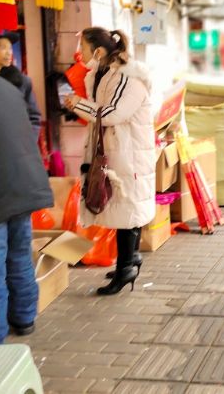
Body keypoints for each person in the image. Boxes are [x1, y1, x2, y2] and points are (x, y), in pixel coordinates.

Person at [63, 28, 155, 295]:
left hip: (130, 154)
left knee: (127, 208)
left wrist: (78, 104)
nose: (80, 53)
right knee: (125, 206)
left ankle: (126, 267)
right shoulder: (103, 75)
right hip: (120, 152)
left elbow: (113, 113)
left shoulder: (129, 78)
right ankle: (131, 259)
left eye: (84, 46)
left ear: (99, 51)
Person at [0, 76, 53, 343]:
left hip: (1, 191)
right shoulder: (7, 87)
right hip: (24, 184)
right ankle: (24, 318)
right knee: (19, 254)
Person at [0, 32, 41, 142]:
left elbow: (33, 117)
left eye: (10, 48)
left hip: (13, 147)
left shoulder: (21, 81)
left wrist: (28, 143)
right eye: (3, 48)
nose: (9, 53)